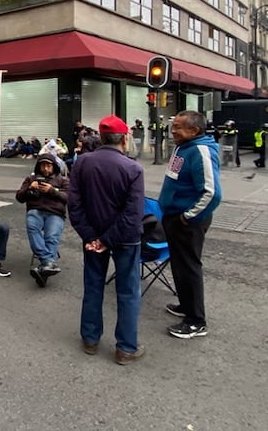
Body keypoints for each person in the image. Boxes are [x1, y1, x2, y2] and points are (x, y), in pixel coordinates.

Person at [67, 115, 146, 363]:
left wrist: (92, 236)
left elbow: (74, 205)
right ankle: (126, 348)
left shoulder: (82, 163)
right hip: (125, 238)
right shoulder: (133, 168)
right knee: (128, 291)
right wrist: (107, 239)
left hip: (92, 235)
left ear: (101, 138)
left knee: (93, 286)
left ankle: (90, 339)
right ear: (124, 139)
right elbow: (133, 213)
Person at [159, 110, 222, 340]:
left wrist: (188, 217)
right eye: (173, 126)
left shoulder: (200, 150)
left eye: (178, 127)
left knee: (189, 267)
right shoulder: (182, 146)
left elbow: (212, 193)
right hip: (174, 217)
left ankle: (196, 321)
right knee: (179, 265)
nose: (173, 131)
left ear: (194, 130)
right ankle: (186, 305)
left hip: (187, 221)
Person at [17, 153, 69, 285]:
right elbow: (19, 197)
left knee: (51, 237)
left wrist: (52, 190)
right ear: (38, 166)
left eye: (48, 166)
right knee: (33, 228)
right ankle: (49, 262)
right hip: (36, 210)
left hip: (55, 213)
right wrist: (29, 189)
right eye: (43, 166)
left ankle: (44, 269)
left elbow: (70, 198)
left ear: (54, 167)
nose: (46, 169)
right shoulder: (31, 178)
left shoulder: (62, 180)